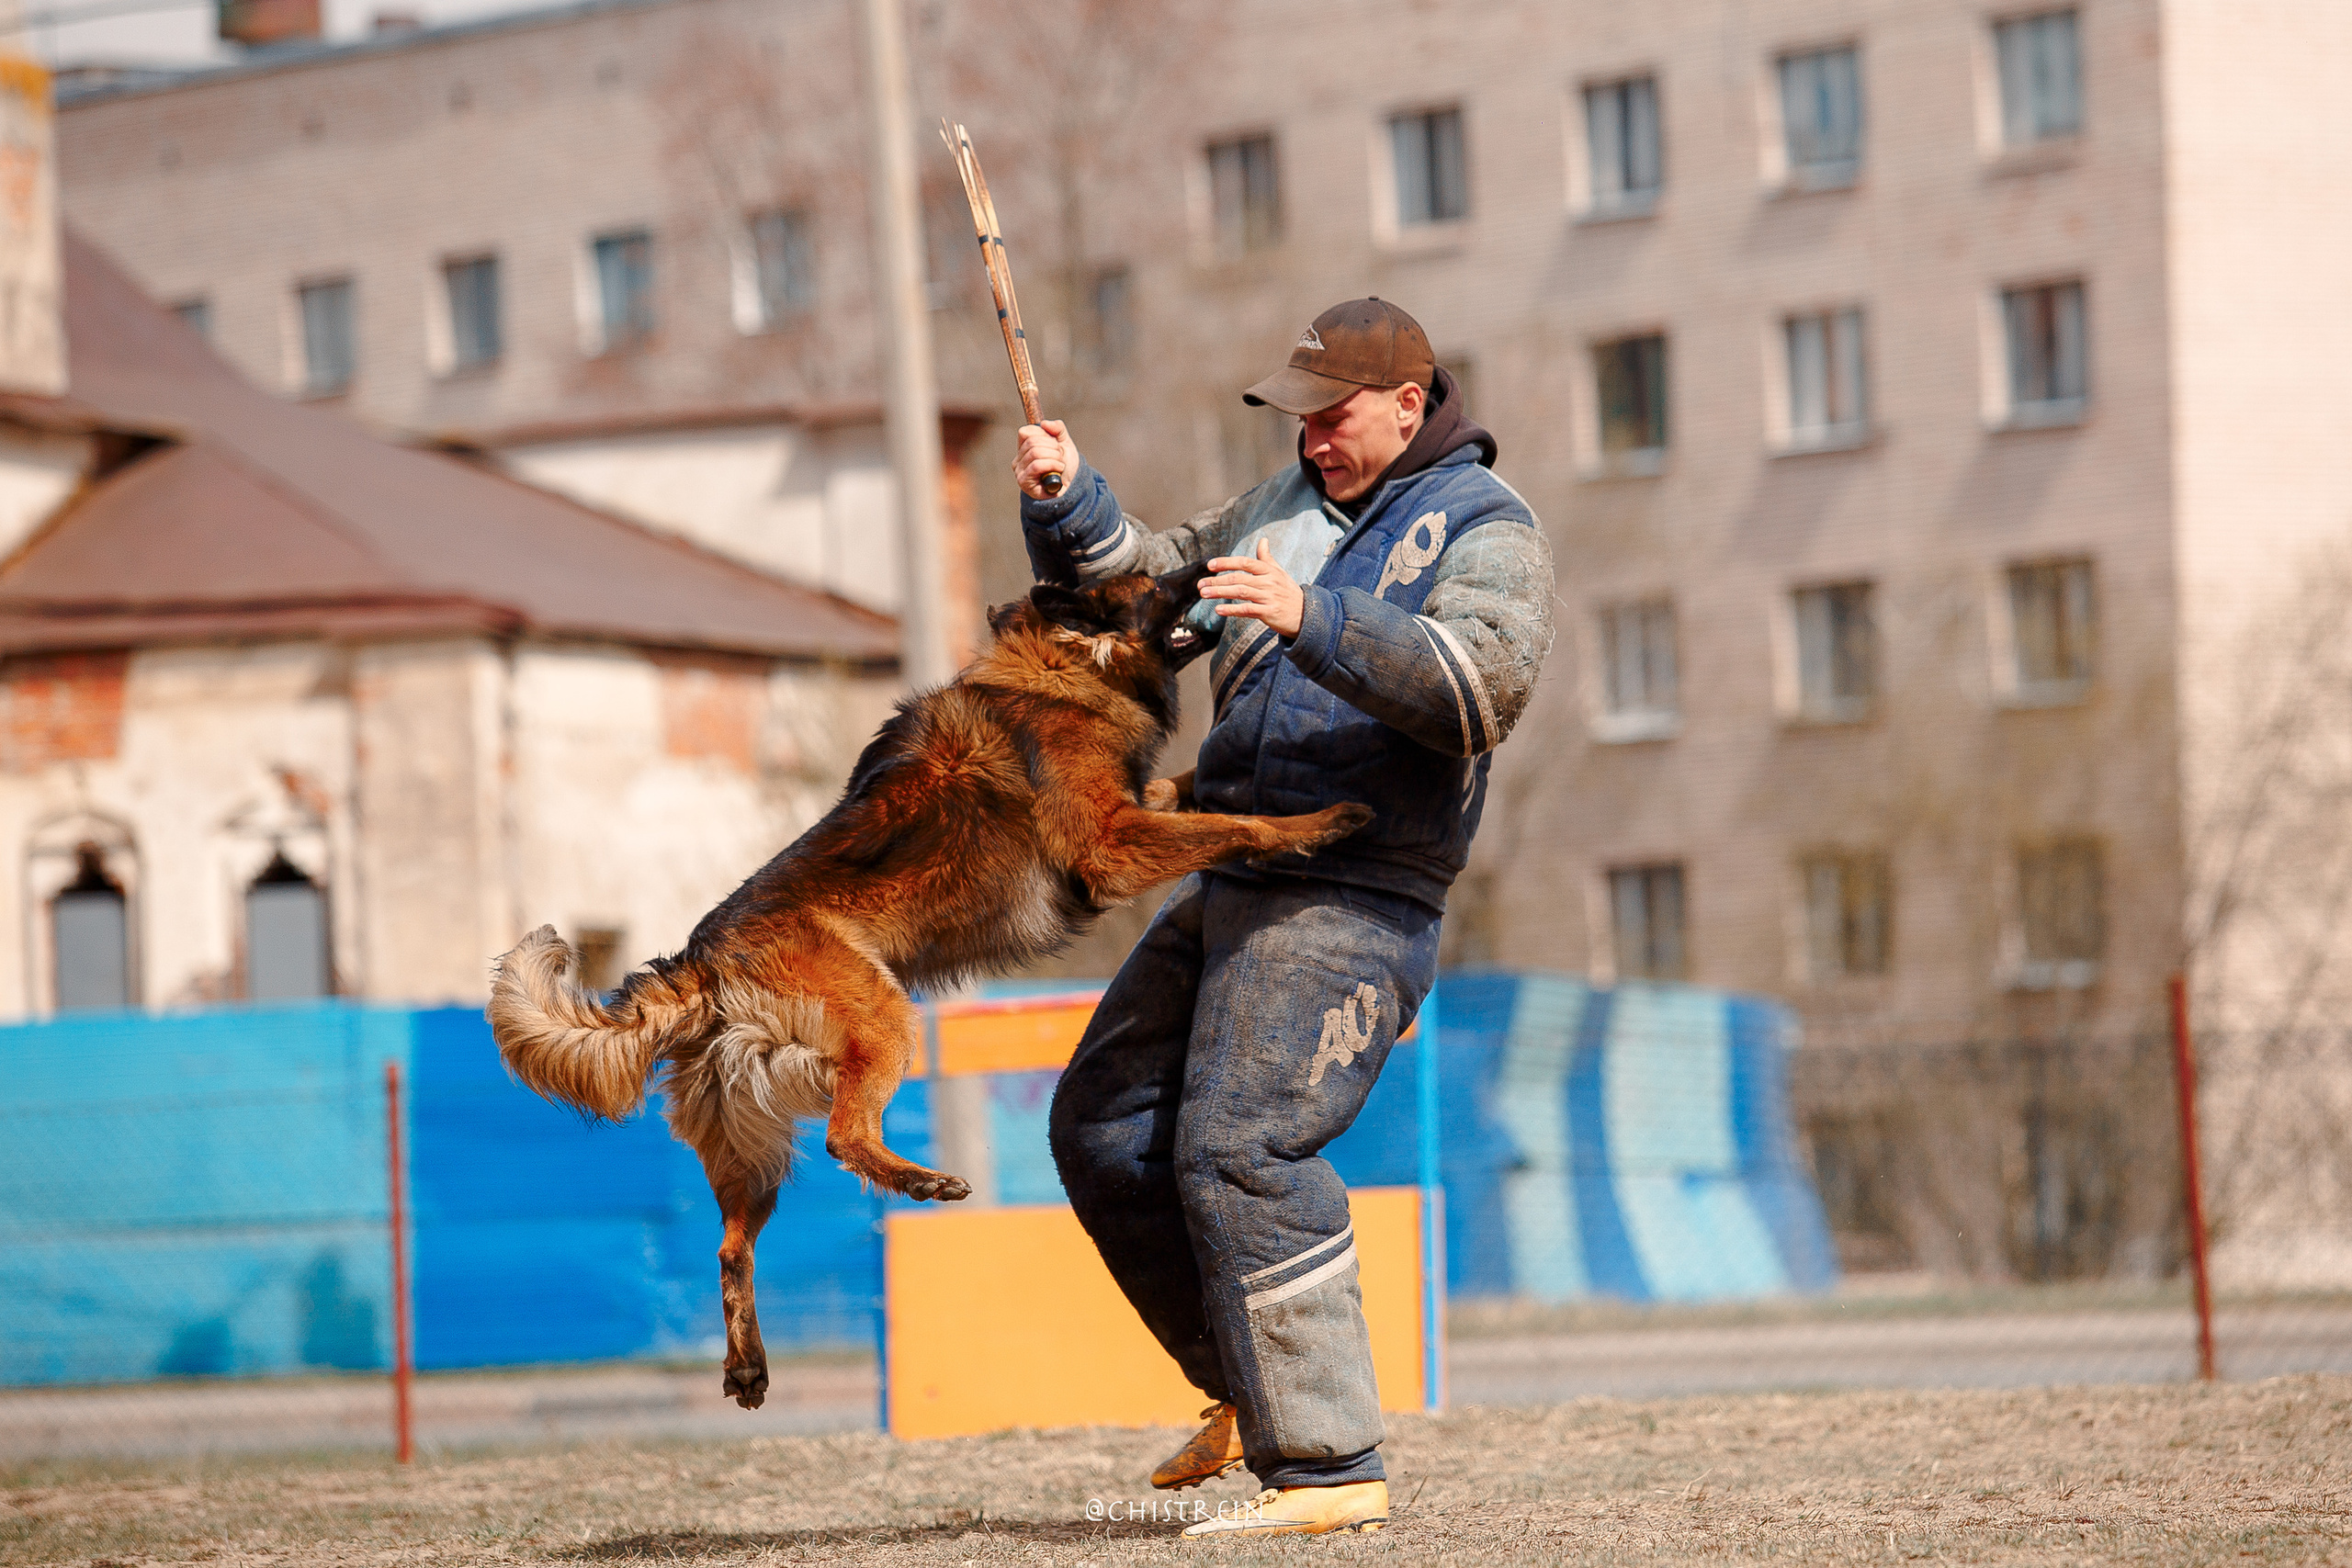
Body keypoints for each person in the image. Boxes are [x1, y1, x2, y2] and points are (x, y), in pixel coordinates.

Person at [1014, 298, 1555, 1539]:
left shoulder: (1489, 529)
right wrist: (1069, 500)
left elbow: (1483, 687)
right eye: (1301, 417)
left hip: (1356, 895)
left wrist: (1315, 618)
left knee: (1242, 1149)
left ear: (1409, 407)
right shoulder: (1279, 515)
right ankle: (1247, 1387)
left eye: (1335, 414)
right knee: (1104, 1124)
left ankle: (1327, 1467)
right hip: (1242, 869)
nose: (1311, 438)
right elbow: (1145, 593)